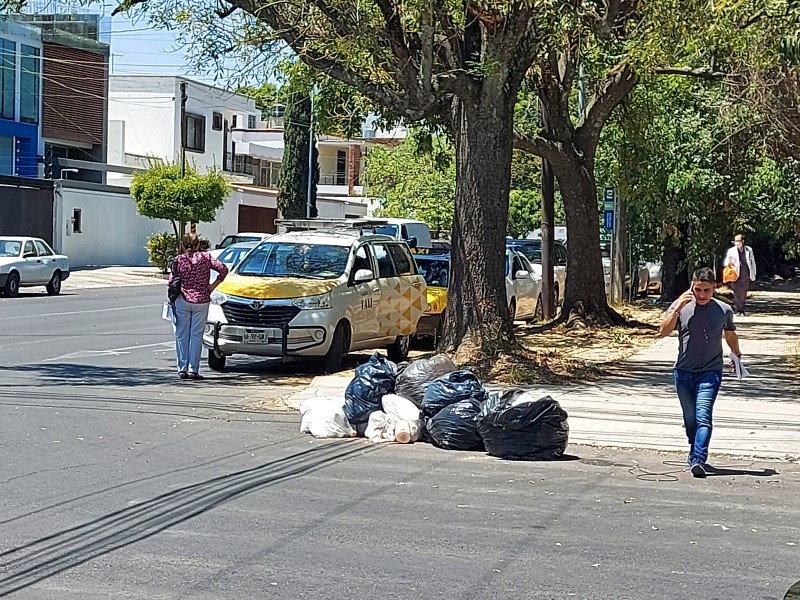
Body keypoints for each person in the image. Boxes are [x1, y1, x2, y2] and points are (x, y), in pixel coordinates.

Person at [658, 267, 742, 478]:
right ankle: (694, 447)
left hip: (710, 372)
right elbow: (663, 331)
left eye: (707, 290)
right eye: (698, 290)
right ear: (692, 287)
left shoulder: (723, 310)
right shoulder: (681, 307)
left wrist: (737, 354)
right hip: (683, 372)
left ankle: (698, 459)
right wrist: (677, 308)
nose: (702, 295)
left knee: (703, 416)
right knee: (690, 418)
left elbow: (730, 334)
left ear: (714, 288)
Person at [169, 233, 228, 380]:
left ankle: (182, 368)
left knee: (182, 335)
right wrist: (212, 286)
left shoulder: (178, 260)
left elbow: (171, 282)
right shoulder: (206, 258)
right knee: (196, 336)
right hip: (201, 300)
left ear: (183, 245)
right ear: (198, 245)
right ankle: (193, 369)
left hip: (182, 299)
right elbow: (223, 269)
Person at [724, 233, 757, 315]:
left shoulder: (749, 250)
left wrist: (754, 272)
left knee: (743, 292)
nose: (737, 242)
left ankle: (741, 306)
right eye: (735, 241)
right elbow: (726, 262)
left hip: (745, 274)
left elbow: (752, 262)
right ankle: (739, 309)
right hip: (735, 274)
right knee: (736, 292)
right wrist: (729, 263)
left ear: (743, 241)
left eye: (738, 241)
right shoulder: (731, 251)